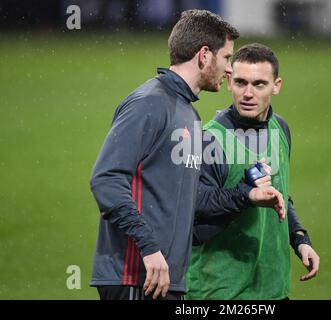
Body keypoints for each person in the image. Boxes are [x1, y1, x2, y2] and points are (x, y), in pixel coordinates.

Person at [88, 9, 241, 300]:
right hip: (136, 276)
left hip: (167, 281)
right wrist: (149, 247)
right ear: (204, 55)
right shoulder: (149, 104)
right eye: (227, 58)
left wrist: (244, 197)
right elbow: (105, 179)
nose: (230, 69)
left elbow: (186, 205)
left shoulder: (189, 114)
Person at [187, 43, 320, 300]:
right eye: (240, 82)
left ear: (276, 86)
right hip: (219, 290)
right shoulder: (209, 140)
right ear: (228, 81)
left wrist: (300, 239)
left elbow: (279, 193)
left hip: (272, 287)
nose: (248, 93)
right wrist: (246, 194)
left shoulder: (280, 130)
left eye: (259, 84)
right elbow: (196, 205)